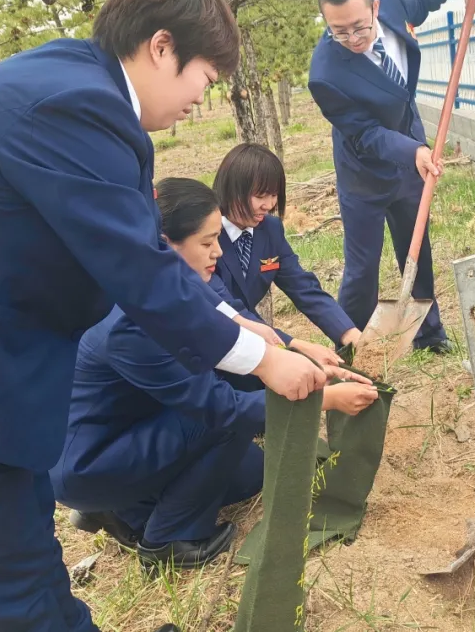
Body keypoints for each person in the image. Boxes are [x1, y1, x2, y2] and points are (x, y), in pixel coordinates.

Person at [0, 0, 347, 632]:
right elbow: (139, 272)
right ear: (160, 47)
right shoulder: (78, 106)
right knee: (5, 595)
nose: (200, 102)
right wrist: (263, 362)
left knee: (29, 567)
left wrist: (246, 327)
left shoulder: (77, 89)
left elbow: (150, 256)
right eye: (204, 80)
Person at [51, 177, 376, 569]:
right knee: (228, 417)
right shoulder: (130, 322)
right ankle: (168, 540)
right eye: (206, 243)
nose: (218, 252)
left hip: (130, 428)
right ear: (167, 244)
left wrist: (294, 351)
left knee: (251, 475)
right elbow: (221, 408)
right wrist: (323, 400)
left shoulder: (164, 279)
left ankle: (123, 510)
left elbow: (232, 326)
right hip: (91, 462)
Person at [308, 0, 475, 354]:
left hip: (410, 162)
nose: (351, 39)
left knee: (417, 248)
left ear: (374, 7)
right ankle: (350, 345)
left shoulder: (390, 3)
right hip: (364, 174)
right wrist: (414, 151)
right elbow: (365, 134)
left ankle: (428, 333)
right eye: (339, 31)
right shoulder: (325, 74)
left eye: (358, 26)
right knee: (362, 268)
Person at [212, 142, 377, 400]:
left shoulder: (270, 230)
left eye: (274, 195)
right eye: (260, 196)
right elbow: (226, 307)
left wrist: (350, 334)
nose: (269, 205)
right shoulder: (206, 236)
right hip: (212, 343)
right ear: (233, 190)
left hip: (253, 340)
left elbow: (303, 288)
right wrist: (293, 345)